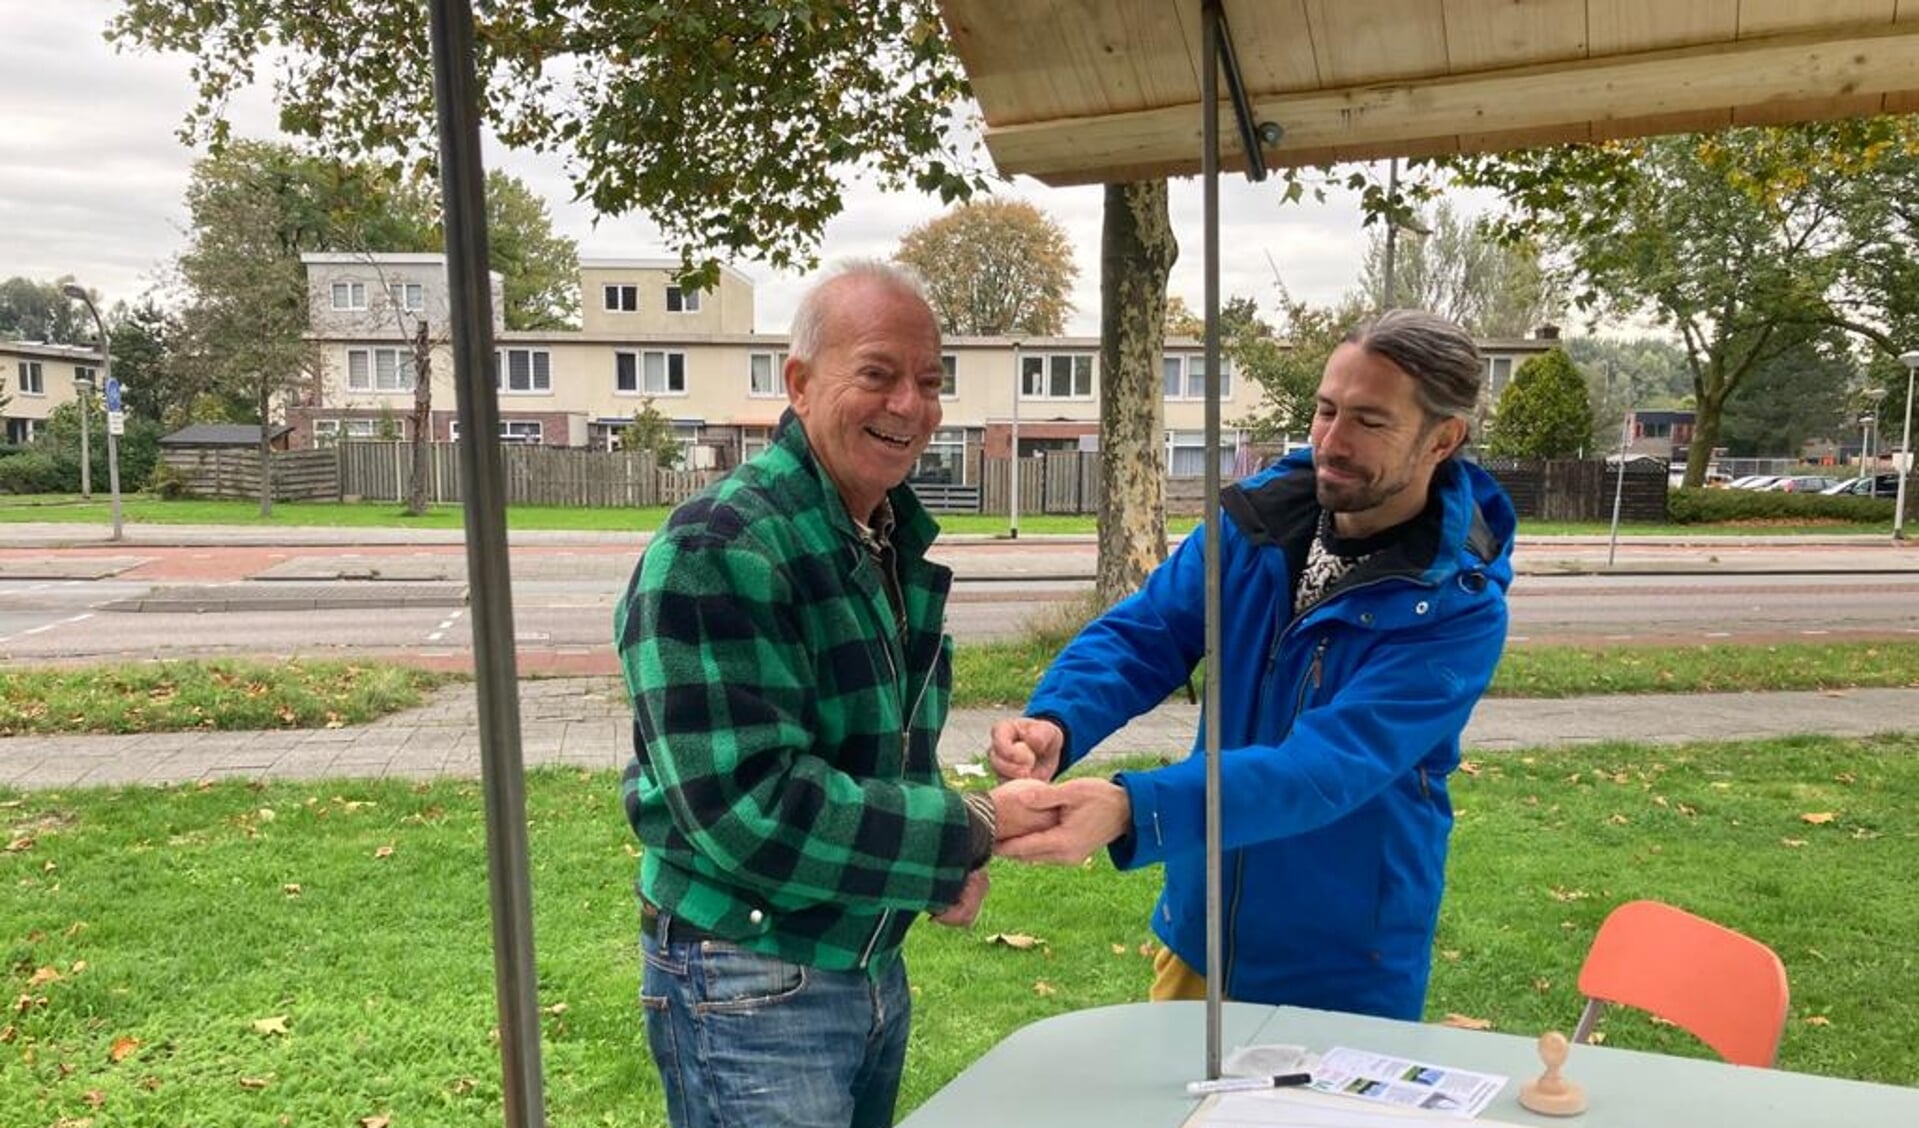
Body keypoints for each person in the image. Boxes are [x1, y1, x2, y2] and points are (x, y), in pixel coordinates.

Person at [616, 260, 1047, 1128]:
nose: (910, 407)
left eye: (929, 383)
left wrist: (934, 868)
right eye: (878, 375)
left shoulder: (876, 533)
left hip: (858, 958)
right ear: (801, 384)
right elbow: (749, 809)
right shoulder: (722, 547)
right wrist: (969, 828)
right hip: (750, 969)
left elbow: (870, 753)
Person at [992, 309, 1515, 1022]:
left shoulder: (1455, 606)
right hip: (1200, 930)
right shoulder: (1253, 524)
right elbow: (1148, 632)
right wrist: (1058, 717)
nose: (1332, 440)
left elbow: (1324, 768)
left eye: (1369, 421)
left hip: (1343, 963)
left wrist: (1129, 808)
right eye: (1325, 409)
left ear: (1442, 439)